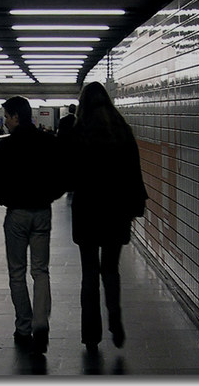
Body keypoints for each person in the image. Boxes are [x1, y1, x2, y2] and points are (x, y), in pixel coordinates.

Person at [65, 82, 148, 354]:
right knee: (111, 270)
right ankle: (115, 320)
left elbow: (69, 174)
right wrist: (136, 205)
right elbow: (134, 171)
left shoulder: (79, 133)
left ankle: (91, 336)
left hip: (87, 213)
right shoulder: (122, 132)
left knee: (89, 273)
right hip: (116, 213)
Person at [0, 96, 63, 355]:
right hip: (42, 212)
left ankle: (24, 326)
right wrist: (49, 196)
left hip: (17, 214)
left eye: (7, 117)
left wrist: (5, 199)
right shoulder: (48, 142)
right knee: (40, 271)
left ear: (17, 116)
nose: (5, 122)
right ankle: (41, 322)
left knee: (17, 273)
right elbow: (63, 174)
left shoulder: (6, 148)